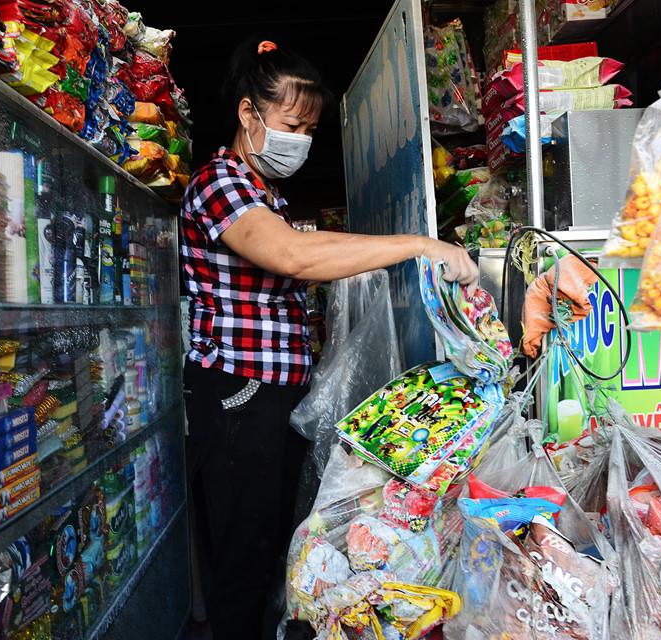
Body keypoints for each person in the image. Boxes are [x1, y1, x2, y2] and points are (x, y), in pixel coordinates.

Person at [180, 38, 479, 640]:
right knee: (245, 557)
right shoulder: (221, 184)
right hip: (239, 394)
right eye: (292, 124)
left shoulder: (267, 195)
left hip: (270, 395)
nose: (302, 140)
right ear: (248, 115)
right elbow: (293, 255)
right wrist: (420, 245)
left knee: (272, 549)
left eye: (310, 129)